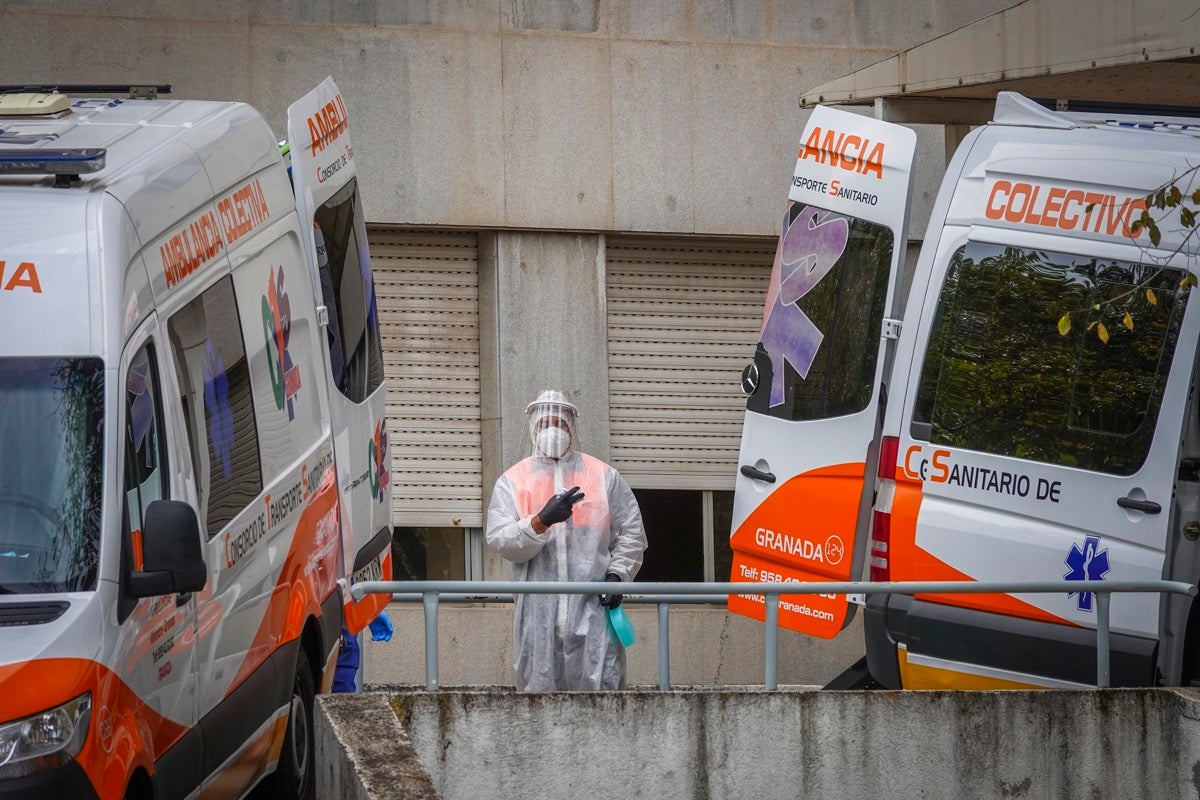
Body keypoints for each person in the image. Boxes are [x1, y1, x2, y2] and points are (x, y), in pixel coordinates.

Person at [486, 389, 647, 691]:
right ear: (534, 428)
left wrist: (617, 575)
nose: (552, 431)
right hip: (538, 616)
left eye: (559, 423)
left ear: (571, 427)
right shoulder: (514, 480)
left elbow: (631, 532)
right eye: (544, 423)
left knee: (602, 699)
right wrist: (540, 521)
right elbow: (500, 539)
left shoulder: (602, 476)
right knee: (539, 703)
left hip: (594, 612)